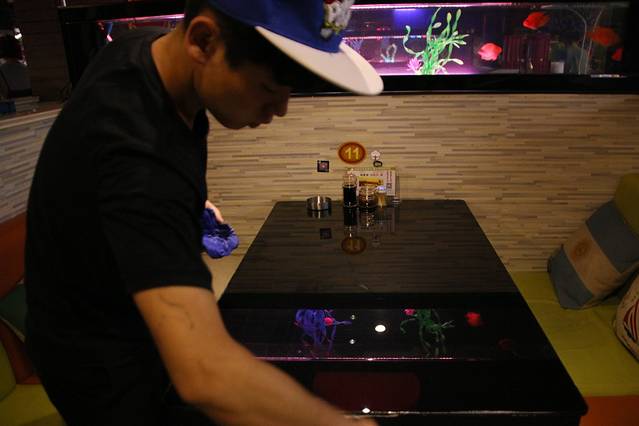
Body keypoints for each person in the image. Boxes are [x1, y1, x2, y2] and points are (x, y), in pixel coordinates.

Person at [24, 0, 382, 425]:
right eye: (269, 88)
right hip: (105, 368)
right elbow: (205, 374)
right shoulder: (138, 153)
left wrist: (186, 205)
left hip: (124, 318)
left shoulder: (144, 53)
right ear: (203, 40)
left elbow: (111, 185)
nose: (281, 109)